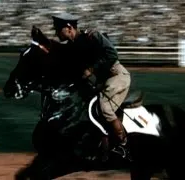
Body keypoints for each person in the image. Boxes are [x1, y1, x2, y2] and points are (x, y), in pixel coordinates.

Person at [51, 12, 131, 157]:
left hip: (117, 76)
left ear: (69, 28)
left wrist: (92, 69)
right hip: (102, 82)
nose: (56, 33)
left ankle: (123, 144)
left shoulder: (91, 36)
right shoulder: (71, 47)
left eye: (58, 29)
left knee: (104, 106)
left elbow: (112, 55)